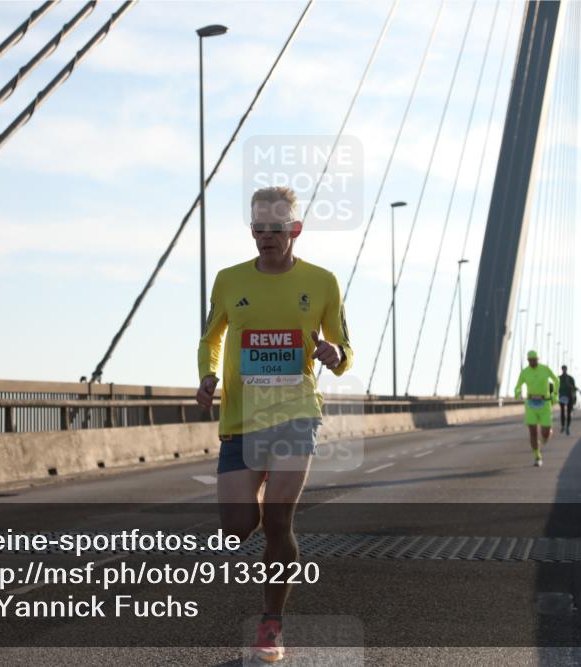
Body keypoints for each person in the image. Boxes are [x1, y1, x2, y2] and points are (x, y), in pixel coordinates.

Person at [195, 185, 353, 663]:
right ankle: (256, 495)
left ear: (295, 230)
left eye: (276, 228)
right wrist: (207, 375)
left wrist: (335, 354)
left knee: (279, 520)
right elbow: (210, 339)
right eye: (258, 228)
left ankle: (271, 626)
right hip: (241, 417)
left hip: (295, 413)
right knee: (237, 528)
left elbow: (344, 349)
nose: (266, 236)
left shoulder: (322, 282)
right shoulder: (229, 280)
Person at [514, 350, 559, 467]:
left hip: (545, 404)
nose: (533, 362)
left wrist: (554, 394)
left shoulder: (545, 369)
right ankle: (537, 456)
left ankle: (545, 438)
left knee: (545, 432)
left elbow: (556, 379)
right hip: (531, 405)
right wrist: (517, 392)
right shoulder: (524, 372)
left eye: (535, 360)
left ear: (538, 360)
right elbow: (518, 385)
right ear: (528, 360)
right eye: (531, 360)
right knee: (533, 432)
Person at [557, 365, 577, 436]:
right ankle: (563, 425)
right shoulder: (558, 378)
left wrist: (574, 398)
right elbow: (555, 387)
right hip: (562, 396)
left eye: (565, 369)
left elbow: (574, 388)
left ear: (566, 369)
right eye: (563, 369)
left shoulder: (570, 378)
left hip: (569, 396)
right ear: (561, 369)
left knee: (569, 413)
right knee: (562, 412)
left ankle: (568, 426)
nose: (564, 370)